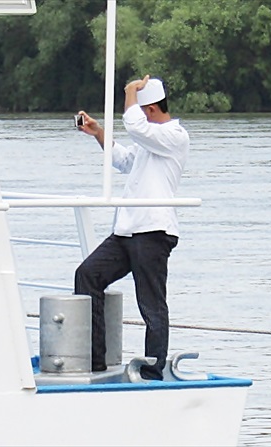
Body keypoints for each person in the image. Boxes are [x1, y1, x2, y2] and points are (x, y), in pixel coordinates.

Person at [74, 75, 189, 380]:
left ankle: (153, 370)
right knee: (88, 275)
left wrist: (128, 93)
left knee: (151, 303)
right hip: (126, 231)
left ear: (149, 109)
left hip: (153, 230)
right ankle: (95, 359)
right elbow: (125, 161)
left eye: (140, 108)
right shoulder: (149, 140)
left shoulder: (175, 136)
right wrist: (99, 133)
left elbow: (136, 126)